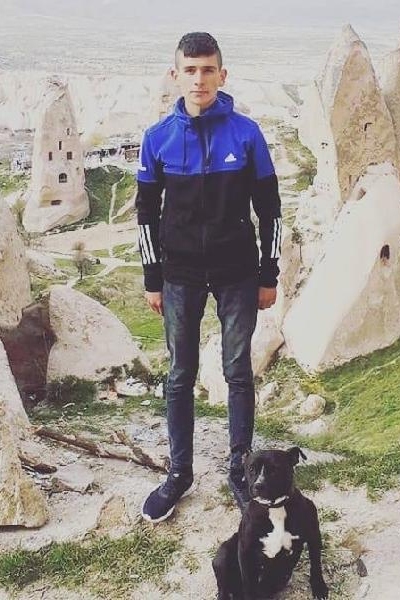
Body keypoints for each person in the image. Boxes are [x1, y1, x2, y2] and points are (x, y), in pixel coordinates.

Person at [137, 31, 282, 523]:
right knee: (180, 374)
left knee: (237, 370)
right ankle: (180, 473)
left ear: (222, 74)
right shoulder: (157, 138)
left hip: (237, 271)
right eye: (190, 70)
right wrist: (153, 277)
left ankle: (241, 470)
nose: (199, 79)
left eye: (207, 70)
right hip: (179, 275)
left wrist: (268, 273)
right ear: (175, 74)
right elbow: (145, 214)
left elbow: (270, 209)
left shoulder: (246, 134)